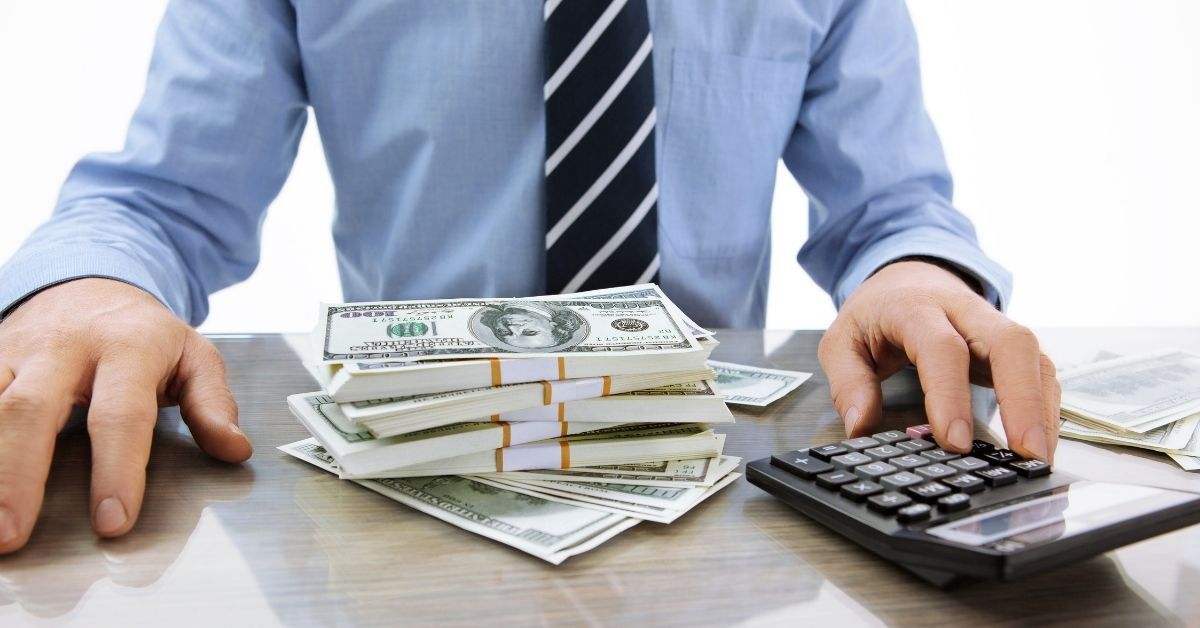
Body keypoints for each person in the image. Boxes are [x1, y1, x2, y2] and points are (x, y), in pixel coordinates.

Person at [0, 1, 1059, 553]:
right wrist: (90, 288)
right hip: (399, 508)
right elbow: (160, 202)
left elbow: (890, 209)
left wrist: (914, 271)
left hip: (713, 506)